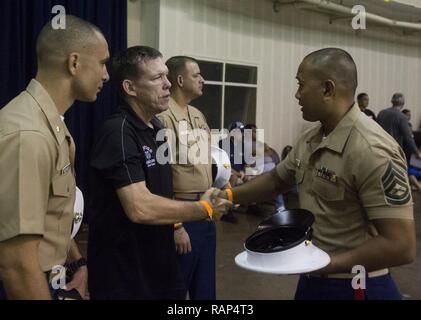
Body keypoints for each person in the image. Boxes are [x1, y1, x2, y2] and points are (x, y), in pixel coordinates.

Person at [218, 48, 416, 300]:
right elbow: (277, 180)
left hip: (355, 286)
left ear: (327, 89)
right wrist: (228, 195)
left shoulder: (372, 150)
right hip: (313, 278)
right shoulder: (311, 139)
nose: (297, 94)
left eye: (301, 85)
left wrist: (325, 264)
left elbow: (400, 246)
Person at [87, 47, 231, 300]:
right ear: (130, 88)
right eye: (156, 78)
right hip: (126, 275)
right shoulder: (118, 132)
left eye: (166, 76)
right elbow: (139, 207)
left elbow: (164, 188)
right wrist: (202, 209)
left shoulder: (156, 128)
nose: (167, 85)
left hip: (159, 265)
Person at [0, 15, 110, 300]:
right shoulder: (29, 135)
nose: (106, 75)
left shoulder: (52, 125)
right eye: (102, 63)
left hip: (54, 280)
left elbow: (53, 216)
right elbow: (16, 266)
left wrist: (77, 263)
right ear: (74, 63)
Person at [157, 55, 226, 300]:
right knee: (175, 288)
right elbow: (160, 178)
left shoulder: (197, 115)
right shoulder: (163, 118)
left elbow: (208, 160)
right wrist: (175, 225)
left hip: (205, 212)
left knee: (205, 288)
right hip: (182, 215)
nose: (202, 79)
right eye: (196, 75)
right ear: (179, 79)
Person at [377, 93, 421, 161]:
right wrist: (417, 153)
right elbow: (408, 137)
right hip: (394, 153)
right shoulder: (401, 117)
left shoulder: (381, 113)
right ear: (403, 103)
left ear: (392, 101)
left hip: (380, 150)